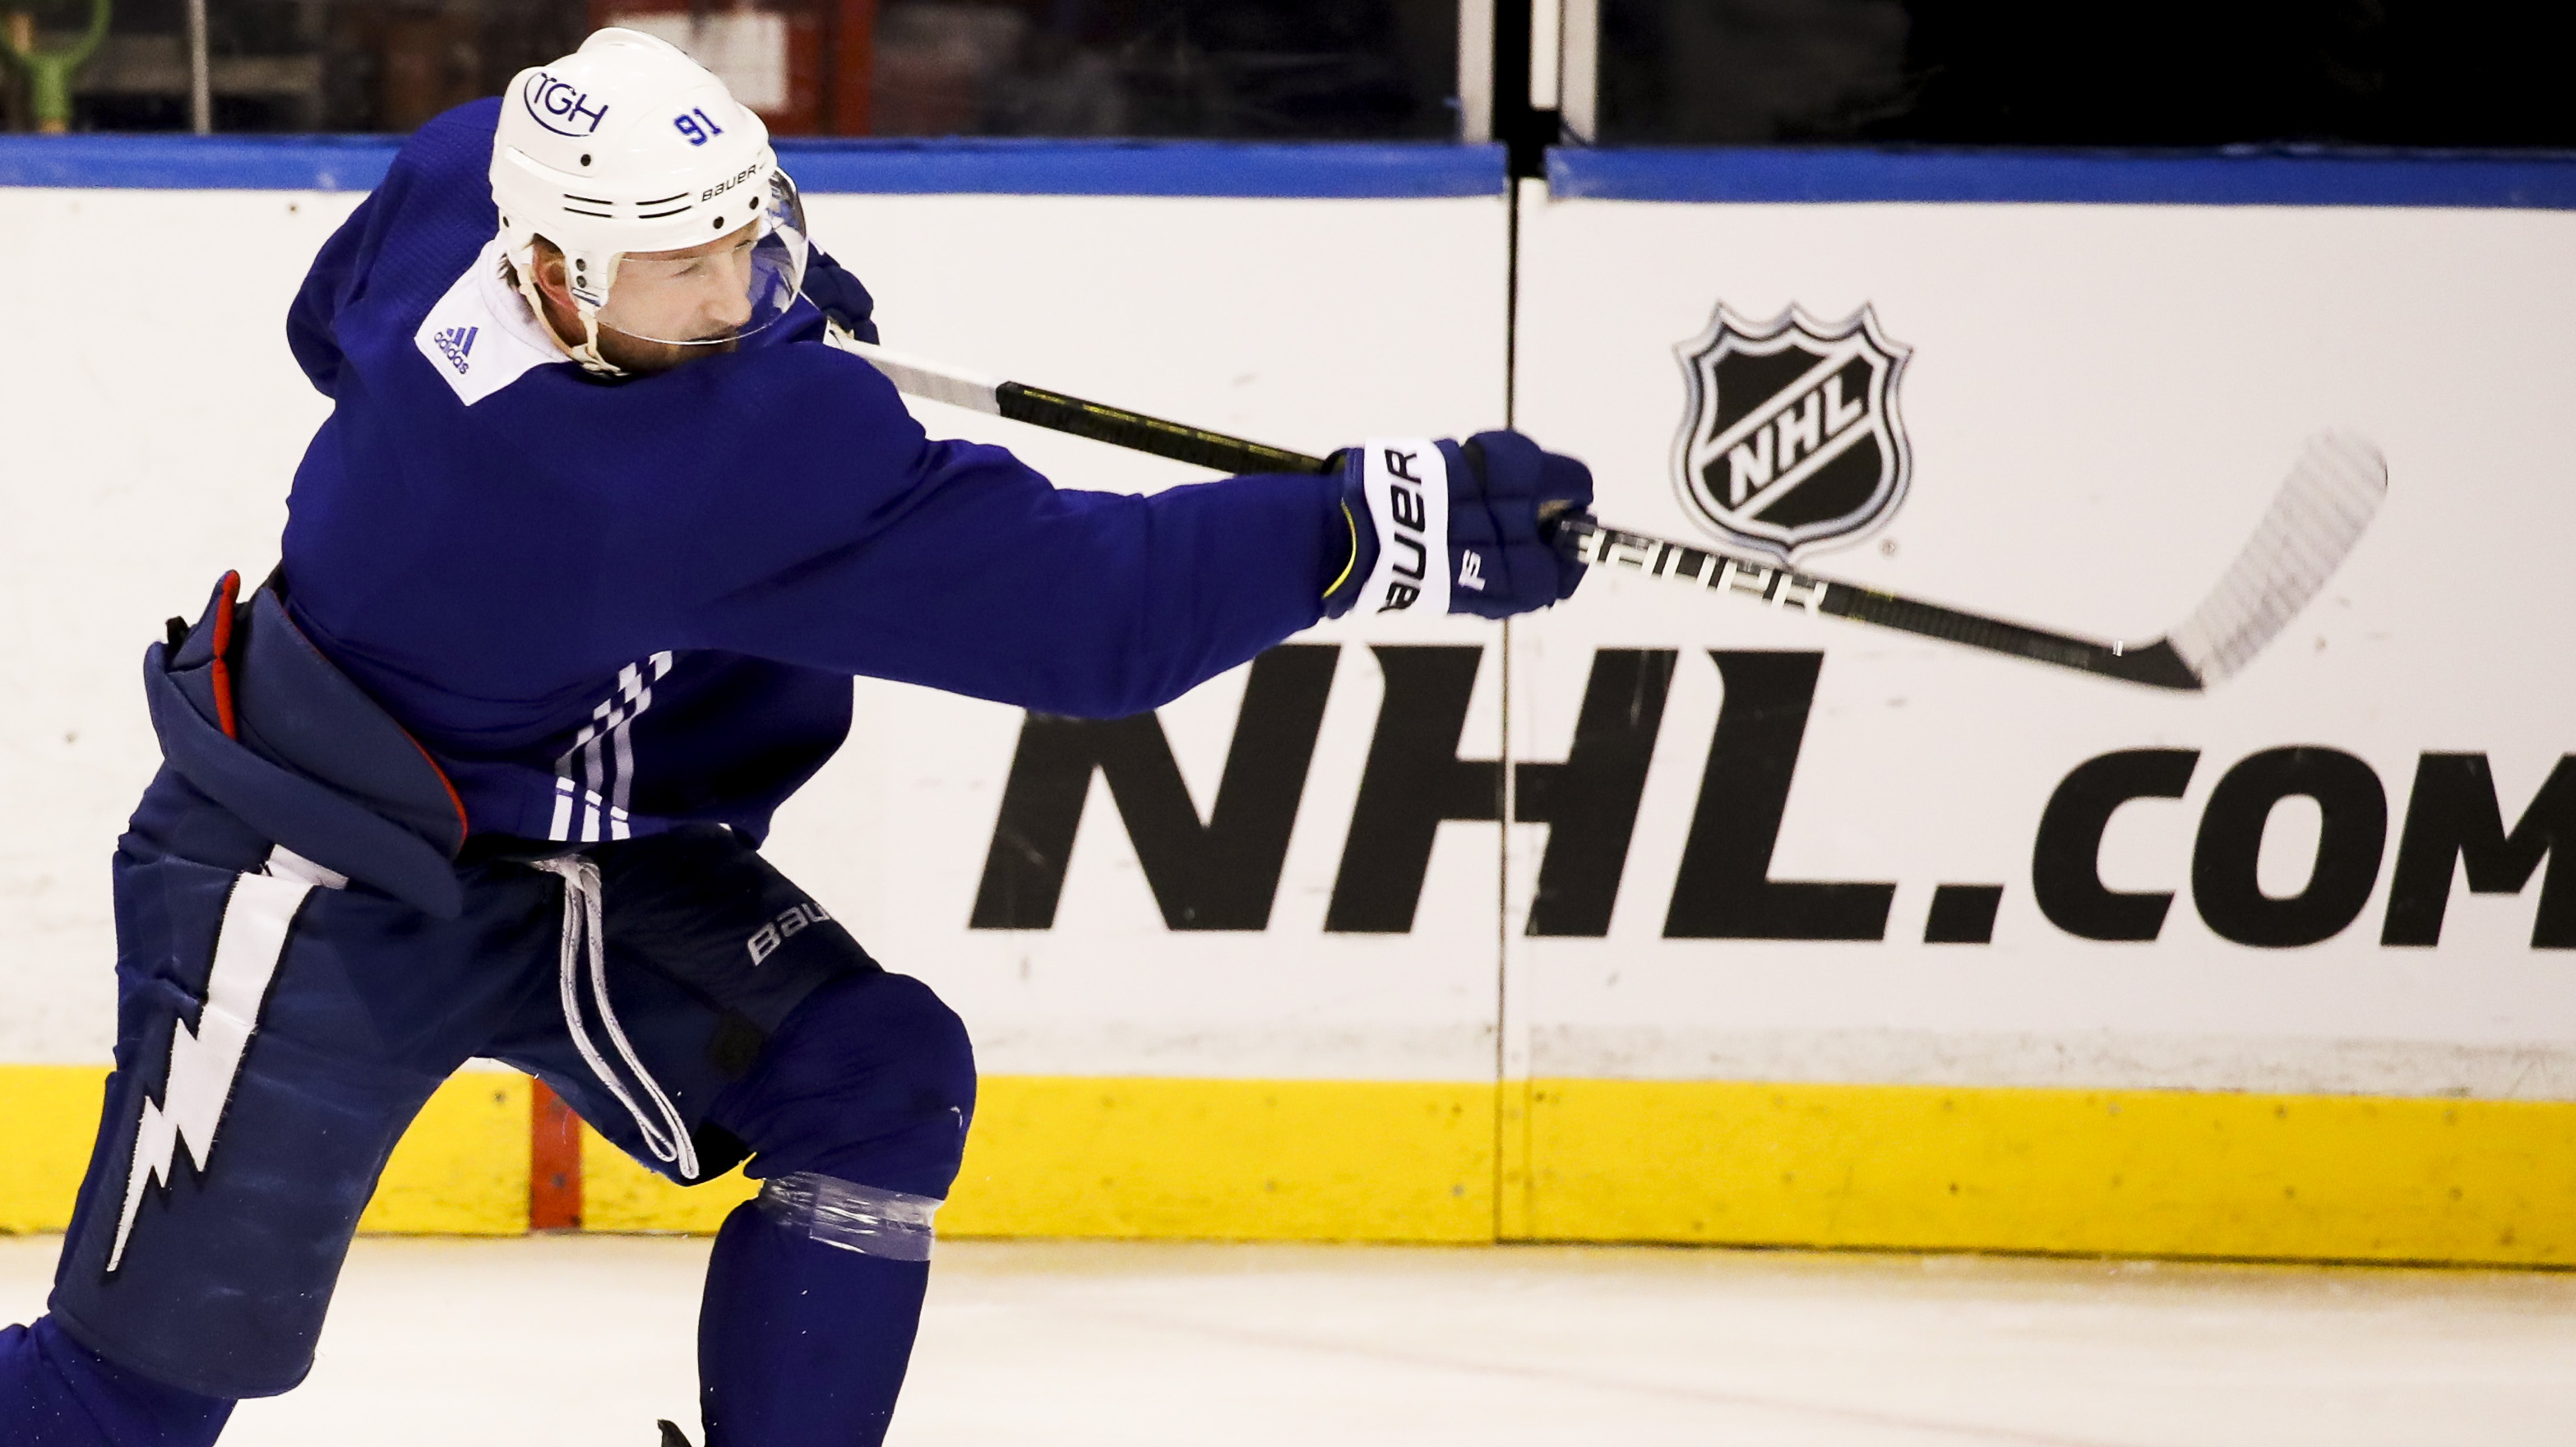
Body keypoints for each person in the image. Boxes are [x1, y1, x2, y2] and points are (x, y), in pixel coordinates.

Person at [0, 27, 1592, 1447]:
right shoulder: (695, 468)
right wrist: (1375, 529)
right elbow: (1094, 622)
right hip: (310, 858)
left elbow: (327, 324)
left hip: (565, 838)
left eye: (743, 242)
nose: (733, 292)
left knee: (877, 1084)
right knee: (116, 1407)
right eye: (676, 271)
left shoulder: (461, 175)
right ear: (552, 274)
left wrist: (736, 311)